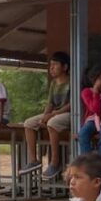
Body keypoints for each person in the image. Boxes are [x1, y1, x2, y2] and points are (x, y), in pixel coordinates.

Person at [23, 51, 71, 179]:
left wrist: (53, 114)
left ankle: (55, 163)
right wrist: (45, 115)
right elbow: (50, 103)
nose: (51, 68)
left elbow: (72, 104)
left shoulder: (72, 81)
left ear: (65, 67)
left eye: (55, 65)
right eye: (51, 65)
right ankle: (34, 160)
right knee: (28, 123)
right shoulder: (54, 84)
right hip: (54, 113)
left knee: (52, 123)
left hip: (69, 114)